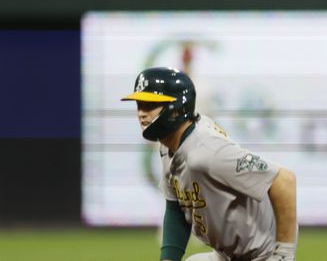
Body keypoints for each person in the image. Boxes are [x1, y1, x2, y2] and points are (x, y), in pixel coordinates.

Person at [122, 67, 298, 261]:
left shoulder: (207, 152)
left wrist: (284, 253)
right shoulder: (168, 146)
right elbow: (175, 209)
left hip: (261, 254)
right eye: (139, 104)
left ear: (177, 107)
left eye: (150, 104)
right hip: (226, 254)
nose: (141, 113)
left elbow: (284, 180)